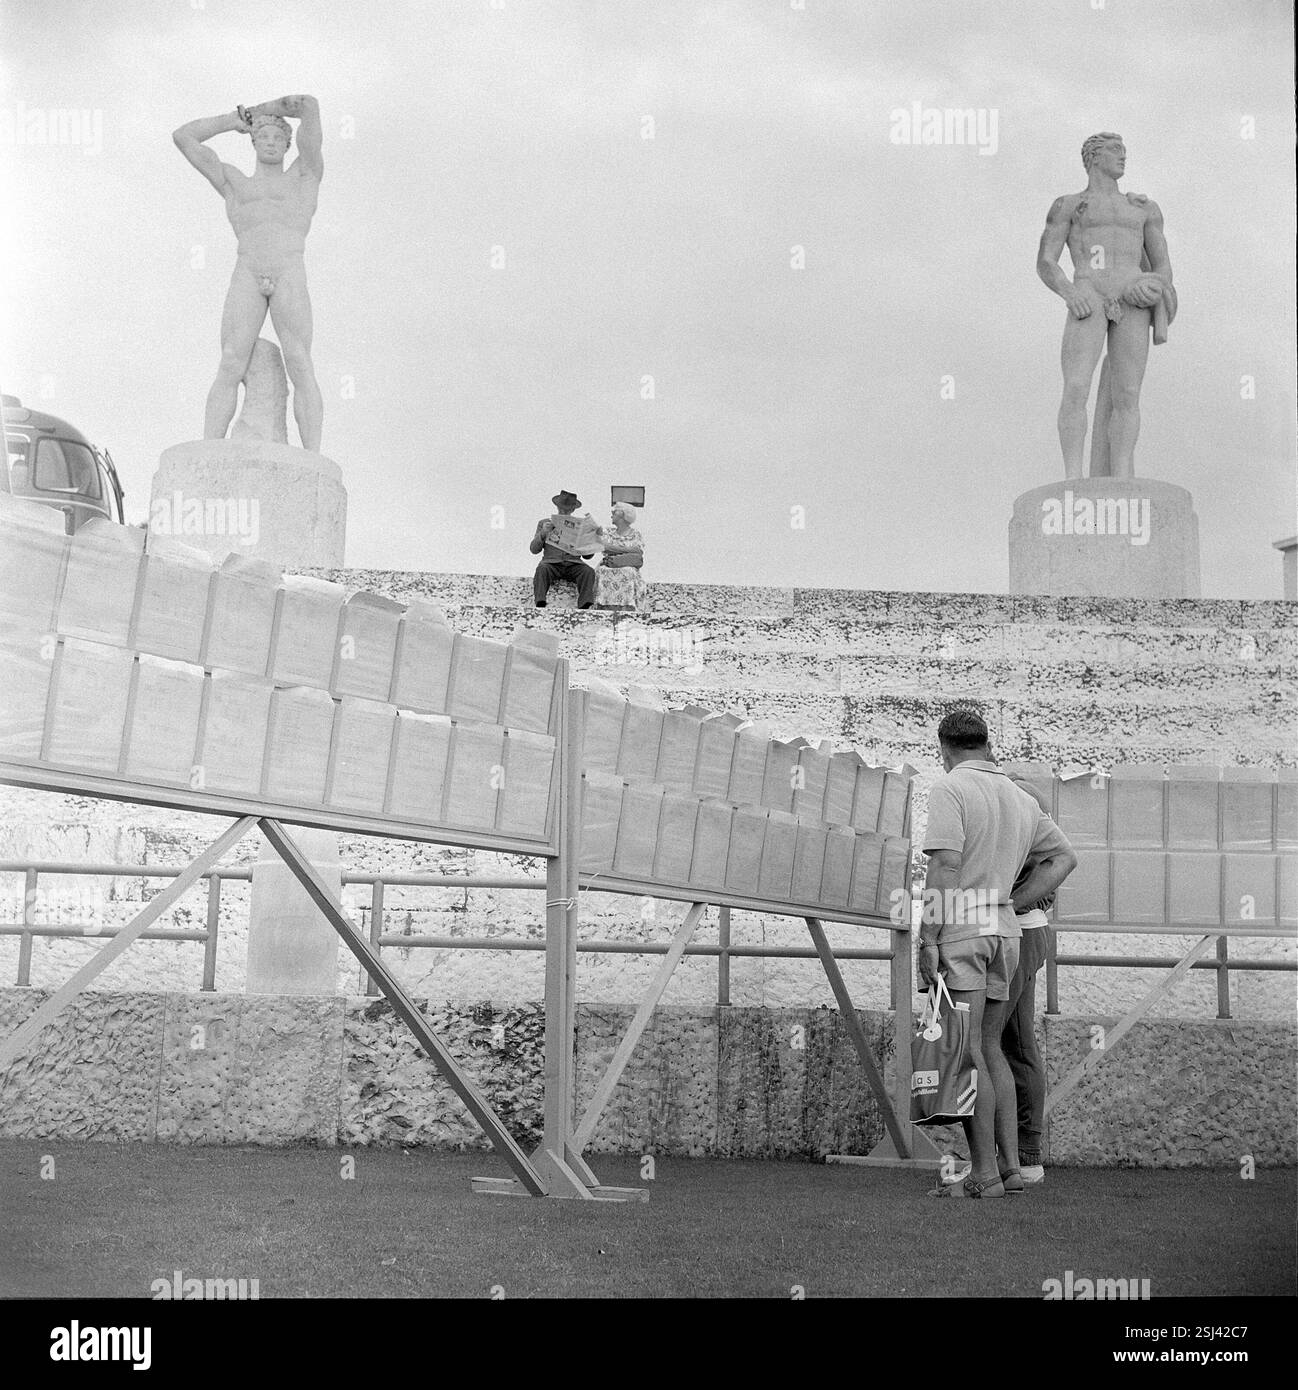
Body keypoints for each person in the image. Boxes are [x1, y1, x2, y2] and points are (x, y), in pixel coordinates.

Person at [920, 708, 1077, 1198]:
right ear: (986, 743)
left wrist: (928, 935)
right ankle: (1011, 1170)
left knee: (968, 1054)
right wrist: (1013, 902)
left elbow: (945, 863)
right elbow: (1064, 858)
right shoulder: (1019, 794)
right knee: (992, 1049)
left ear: (944, 748)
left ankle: (984, 1175)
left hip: (964, 931)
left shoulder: (950, 787)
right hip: (1006, 934)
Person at [173, 94, 325, 451]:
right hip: (248, 269)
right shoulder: (234, 182)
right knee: (230, 361)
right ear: (253, 141)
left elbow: (308, 106)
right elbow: (183, 137)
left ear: (289, 144)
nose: (270, 142)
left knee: (300, 362)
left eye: (277, 138)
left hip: (289, 268)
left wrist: (262, 112)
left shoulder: (305, 173)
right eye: (263, 137)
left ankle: (312, 455)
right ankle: (210, 449)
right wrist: (231, 121)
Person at [1036, 132, 1175, 479]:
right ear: (1094, 157)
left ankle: (1123, 474)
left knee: (1128, 392)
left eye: (1125, 150)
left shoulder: (1143, 208)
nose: (1123, 156)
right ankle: (1072, 476)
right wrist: (1069, 292)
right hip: (1089, 295)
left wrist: (1153, 285)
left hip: (1132, 297)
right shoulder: (1068, 204)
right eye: (1115, 150)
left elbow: (1163, 265)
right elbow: (1046, 261)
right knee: (1077, 386)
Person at [530, 490, 597, 608]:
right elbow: (534, 549)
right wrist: (543, 533)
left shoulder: (581, 526)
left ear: (573, 509)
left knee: (588, 571)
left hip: (574, 564)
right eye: (562, 508)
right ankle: (540, 601)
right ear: (557, 507)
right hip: (552, 563)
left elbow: (588, 556)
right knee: (542, 569)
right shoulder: (544, 523)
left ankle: (585, 604)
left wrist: (590, 540)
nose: (564, 511)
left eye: (567, 509)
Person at [595, 502, 647, 610]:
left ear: (622, 515)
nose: (611, 515)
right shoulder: (609, 532)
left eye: (614, 512)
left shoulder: (635, 534)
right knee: (602, 571)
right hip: (610, 564)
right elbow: (604, 548)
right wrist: (627, 551)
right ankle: (604, 605)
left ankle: (626, 606)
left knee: (628, 571)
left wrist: (615, 549)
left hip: (627, 565)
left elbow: (638, 552)